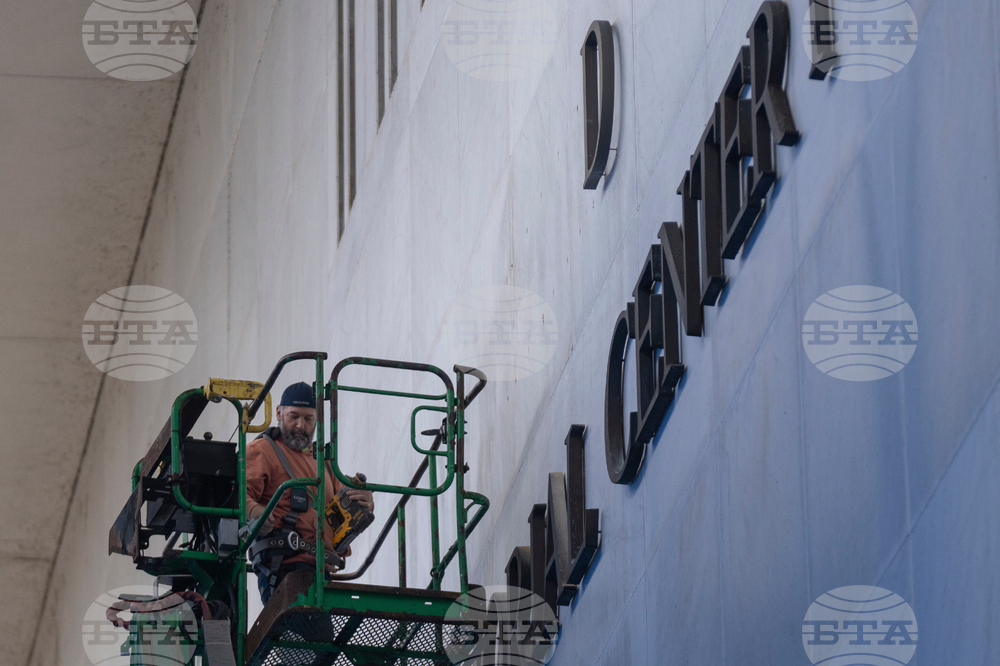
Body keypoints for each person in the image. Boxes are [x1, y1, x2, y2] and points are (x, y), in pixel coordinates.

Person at [246, 382, 374, 604]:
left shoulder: (323, 462)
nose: (300, 425)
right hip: (285, 566)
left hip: (320, 570)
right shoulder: (263, 451)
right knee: (303, 633)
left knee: (316, 635)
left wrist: (365, 501)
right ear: (278, 412)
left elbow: (344, 504)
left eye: (308, 419)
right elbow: (238, 495)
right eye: (293, 416)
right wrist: (255, 511)